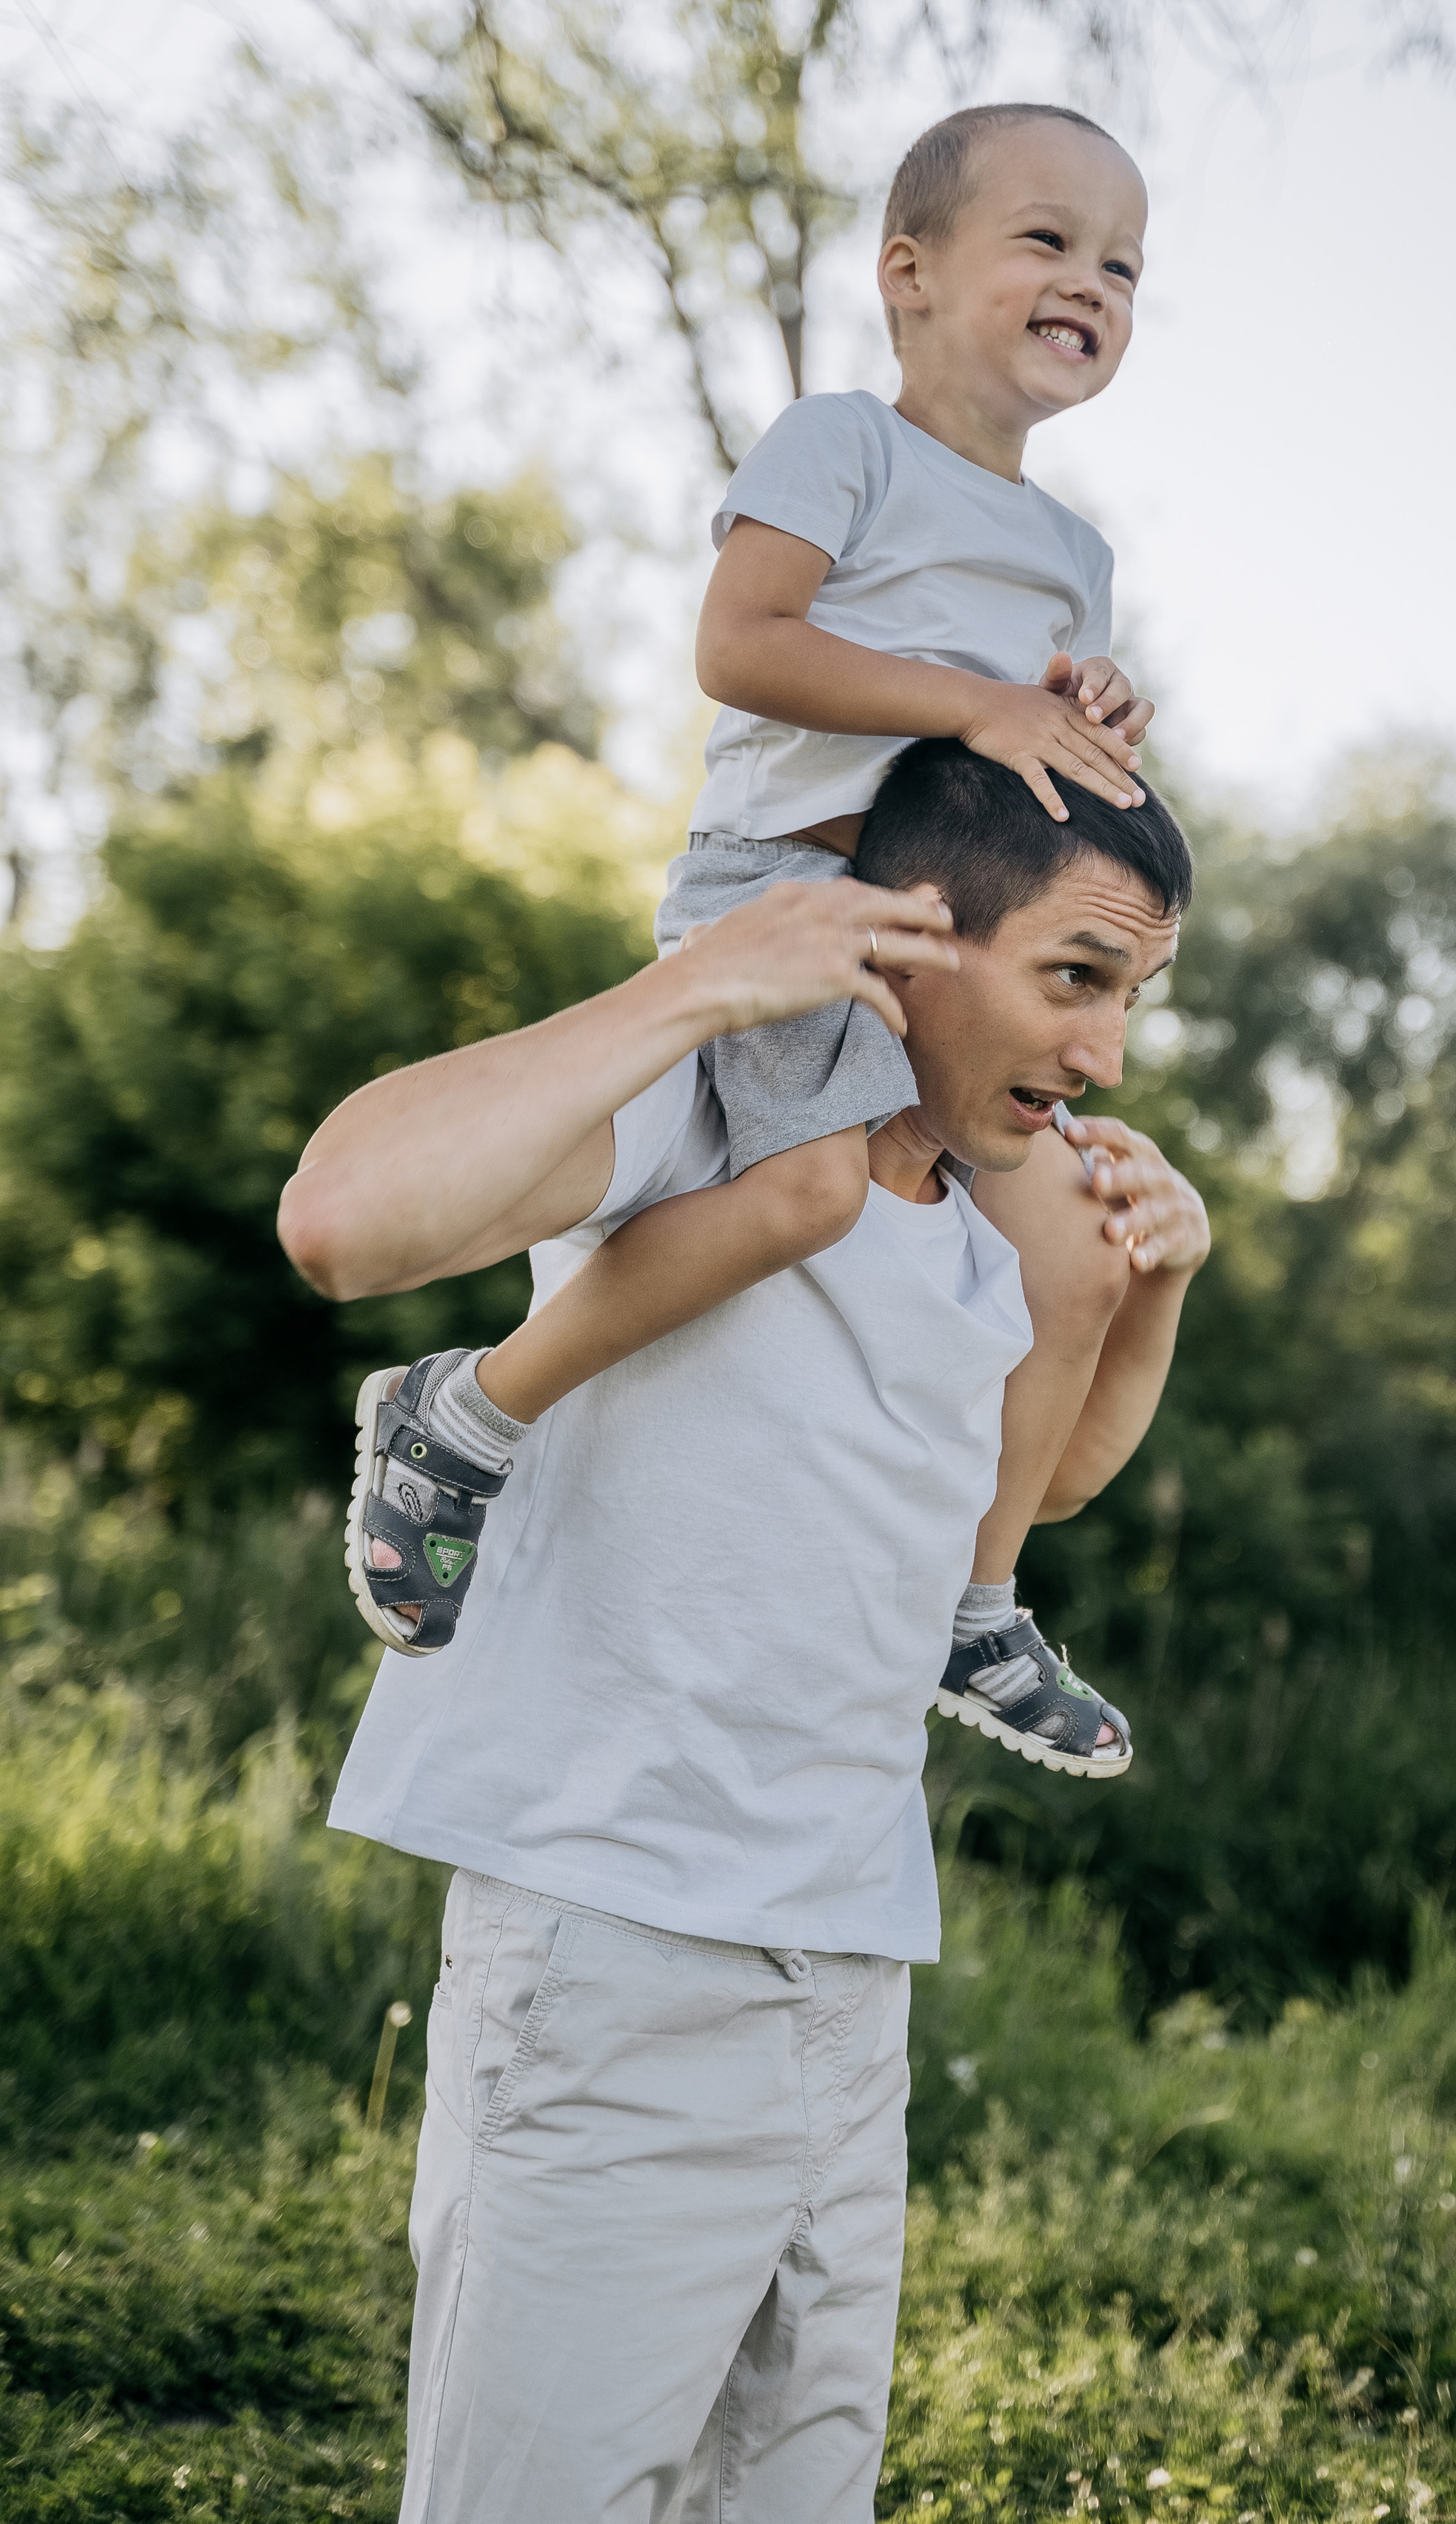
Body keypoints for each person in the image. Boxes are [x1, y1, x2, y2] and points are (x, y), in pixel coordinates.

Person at [282, 741, 1206, 2523]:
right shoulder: (711, 1116)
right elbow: (340, 1221)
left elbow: (1042, 1488)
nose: (1104, 1053)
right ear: (916, 939)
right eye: (1074, 980)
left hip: (840, 1973)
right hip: (616, 1950)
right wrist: (702, 980)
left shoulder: (960, 1211)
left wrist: (1148, 1289)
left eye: (1132, 998)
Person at [344, 101, 1156, 1772]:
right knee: (797, 1191)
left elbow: (1018, 783)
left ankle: (975, 1600)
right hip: (785, 903)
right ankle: (466, 1413)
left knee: (1077, 1241)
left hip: (938, 948)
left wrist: (1084, 720)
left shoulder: (1075, 556)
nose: (1092, 280)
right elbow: (744, 646)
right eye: (1050, 241)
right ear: (909, 275)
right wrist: (983, 703)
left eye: (1123, 265)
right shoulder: (838, 443)